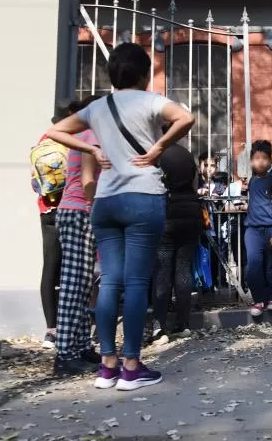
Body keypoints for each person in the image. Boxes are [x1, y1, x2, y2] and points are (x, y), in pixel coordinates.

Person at [46, 42, 194, 391]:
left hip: (106, 201)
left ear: (111, 75)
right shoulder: (151, 100)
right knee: (138, 281)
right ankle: (131, 366)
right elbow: (185, 118)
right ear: (145, 74)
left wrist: (91, 148)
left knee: (110, 280)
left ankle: (107, 366)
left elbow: (54, 131)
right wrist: (158, 147)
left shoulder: (98, 107)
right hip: (143, 197)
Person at [52, 96, 102, 376]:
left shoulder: (83, 134)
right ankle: (65, 353)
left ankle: (81, 346)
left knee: (82, 283)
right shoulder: (91, 135)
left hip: (75, 211)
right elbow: (87, 181)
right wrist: (97, 210)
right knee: (74, 284)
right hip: (80, 211)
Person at [152, 131, 204, 343]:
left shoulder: (158, 155)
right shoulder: (186, 155)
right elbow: (194, 186)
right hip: (191, 211)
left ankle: (159, 326)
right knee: (184, 268)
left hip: (168, 211)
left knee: (163, 272)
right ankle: (183, 324)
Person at [34, 106, 70, 350]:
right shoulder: (71, 141)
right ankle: (70, 325)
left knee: (50, 266)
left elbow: (36, 184)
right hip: (71, 208)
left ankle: (51, 330)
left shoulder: (43, 142)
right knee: (74, 267)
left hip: (47, 210)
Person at [244, 140, 272, 317]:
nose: (260, 162)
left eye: (264, 158)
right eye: (256, 158)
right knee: (253, 264)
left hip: (271, 230)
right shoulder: (253, 180)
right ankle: (259, 299)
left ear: (270, 160)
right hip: (252, 230)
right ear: (251, 161)